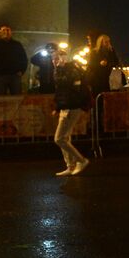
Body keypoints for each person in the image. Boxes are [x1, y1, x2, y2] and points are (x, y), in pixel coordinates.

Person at [51, 47, 91, 176]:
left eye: (58, 58)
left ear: (64, 58)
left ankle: (81, 160)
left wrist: (60, 68)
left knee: (59, 139)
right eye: (53, 59)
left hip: (72, 107)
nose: (55, 61)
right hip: (65, 107)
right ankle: (70, 166)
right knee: (65, 137)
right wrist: (57, 107)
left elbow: (67, 87)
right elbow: (60, 91)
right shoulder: (60, 70)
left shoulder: (71, 69)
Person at [0, 24, 28, 95]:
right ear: (0, 32)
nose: (6, 32)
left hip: (15, 75)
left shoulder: (17, 44)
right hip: (1, 75)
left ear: (11, 32)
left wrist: (22, 71)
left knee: (16, 98)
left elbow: (23, 58)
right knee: (0, 98)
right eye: (3, 30)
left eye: (8, 30)